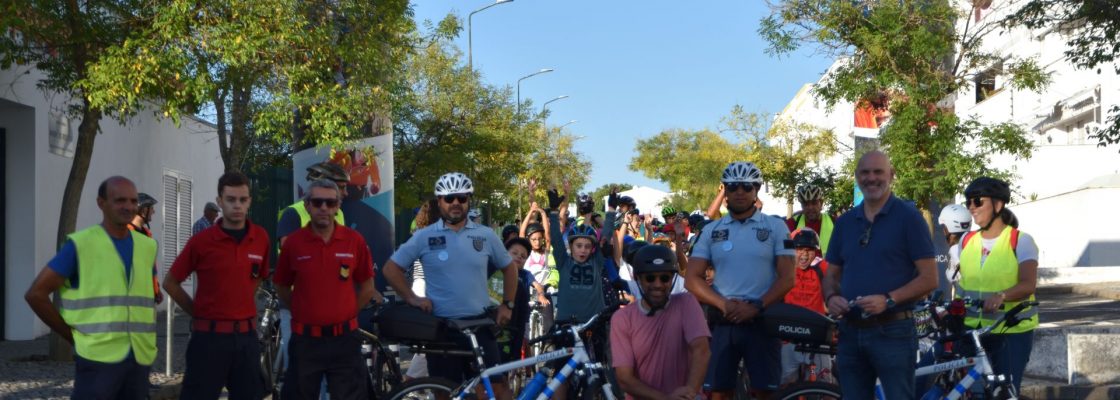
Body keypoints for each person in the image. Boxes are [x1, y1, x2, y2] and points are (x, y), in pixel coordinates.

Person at [382, 172, 519, 400]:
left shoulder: (485, 235)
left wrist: (508, 304)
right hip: (443, 329)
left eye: (462, 198)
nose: (456, 203)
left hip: (481, 324)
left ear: (468, 201)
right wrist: (412, 298)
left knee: (496, 389)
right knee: (445, 391)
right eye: (449, 198)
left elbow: (510, 268)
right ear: (440, 202)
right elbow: (390, 269)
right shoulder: (424, 236)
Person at [24, 176, 158, 399]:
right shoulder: (81, 244)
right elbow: (36, 294)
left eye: (133, 201)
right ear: (101, 203)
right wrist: (73, 337)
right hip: (97, 361)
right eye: (120, 200)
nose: (129, 206)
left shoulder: (148, 246)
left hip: (139, 358)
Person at [822, 150, 939, 400]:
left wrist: (888, 299)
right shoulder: (844, 223)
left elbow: (930, 278)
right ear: (856, 177)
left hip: (893, 330)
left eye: (878, 172)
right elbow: (831, 275)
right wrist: (831, 297)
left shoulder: (909, 218)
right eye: (865, 172)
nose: (871, 178)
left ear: (891, 176)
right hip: (850, 330)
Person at [684, 161, 795, 400]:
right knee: (719, 393)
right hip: (724, 320)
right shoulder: (711, 230)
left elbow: (787, 278)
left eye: (747, 186)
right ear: (725, 191)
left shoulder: (776, 227)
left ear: (757, 189)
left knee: (766, 393)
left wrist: (756, 306)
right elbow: (691, 279)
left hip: (762, 320)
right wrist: (724, 305)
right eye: (733, 187)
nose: (740, 192)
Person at [165, 172, 271, 399]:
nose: (237, 205)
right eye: (231, 199)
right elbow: (170, 283)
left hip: (246, 340)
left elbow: (257, 278)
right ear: (220, 201)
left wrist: (240, 305)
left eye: (243, 200)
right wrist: (198, 312)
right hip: (208, 340)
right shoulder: (202, 241)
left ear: (250, 201)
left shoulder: (261, 238)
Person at [274, 179, 381, 400]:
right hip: (305, 341)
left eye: (330, 202)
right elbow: (281, 285)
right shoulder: (293, 244)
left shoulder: (354, 241)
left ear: (338, 205)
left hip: (344, 340)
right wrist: (303, 310)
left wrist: (346, 312)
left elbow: (367, 287)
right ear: (307, 205)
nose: (324, 207)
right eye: (317, 202)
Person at [955, 177, 1039, 393]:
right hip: (972, 330)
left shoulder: (1020, 241)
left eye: (977, 201)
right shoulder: (966, 241)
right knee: (973, 392)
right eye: (968, 203)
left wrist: (1001, 296)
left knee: (1005, 391)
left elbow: (1028, 284)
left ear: (998, 205)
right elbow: (963, 286)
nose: (972, 208)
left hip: (1010, 331)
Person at [611, 244, 711, 400]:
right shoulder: (622, 319)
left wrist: (690, 391)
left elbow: (701, 350)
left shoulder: (687, 303)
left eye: (665, 278)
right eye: (650, 278)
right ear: (637, 278)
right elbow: (625, 379)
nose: (657, 284)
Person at [779, 228, 833, 386]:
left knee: (826, 383)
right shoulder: (783, 268)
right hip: (788, 336)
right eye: (799, 249)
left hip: (816, 336)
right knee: (785, 385)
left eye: (809, 250)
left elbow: (837, 280)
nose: (804, 255)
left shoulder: (821, 267)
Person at [277, 162, 350, 246]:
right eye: (341, 187)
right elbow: (289, 250)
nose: (346, 193)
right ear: (324, 186)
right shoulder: (292, 213)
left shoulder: (340, 213)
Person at [787, 184, 835, 256]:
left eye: (814, 203)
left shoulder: (834, 221)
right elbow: (785, 251)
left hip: (827, 267)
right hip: (801, 266)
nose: (810, 207)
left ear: (821, 204)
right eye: (806, 204)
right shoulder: (792, 223)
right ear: (801, 206)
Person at [938, 203, 972, 296]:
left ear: (948, 228)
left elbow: (965, 279)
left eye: (944, 227)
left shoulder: (956, 250)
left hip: (966, 306)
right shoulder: (973, 244)